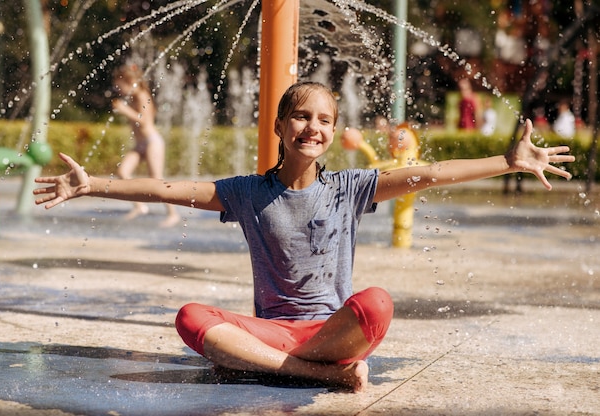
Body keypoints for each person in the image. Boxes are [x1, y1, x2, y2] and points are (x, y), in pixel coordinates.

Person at [33, 81, 574, 393]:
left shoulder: (349, 188)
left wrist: (507, 161)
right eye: (300, 116)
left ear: (333, 131)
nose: (312, 127)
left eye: (324, 119)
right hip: (271, 335)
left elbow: (426, 174)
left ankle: (302, 366)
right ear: (279, 126)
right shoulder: (246, 193)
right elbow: (168, 189)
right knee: (190, 317)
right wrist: (92, 185)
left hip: (335, 331)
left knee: (378, 303)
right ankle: (317, 375)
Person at [112, 64, 180, 227]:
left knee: (156, 179)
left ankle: (173, 213)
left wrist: (125, 110)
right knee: (122, 172)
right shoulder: (134, 98)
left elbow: (145, 121)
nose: (119, 90)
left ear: (129, 81)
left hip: (152, 142)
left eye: (120, 86)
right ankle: (140, 206)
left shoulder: (143, 95)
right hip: (141, 144)